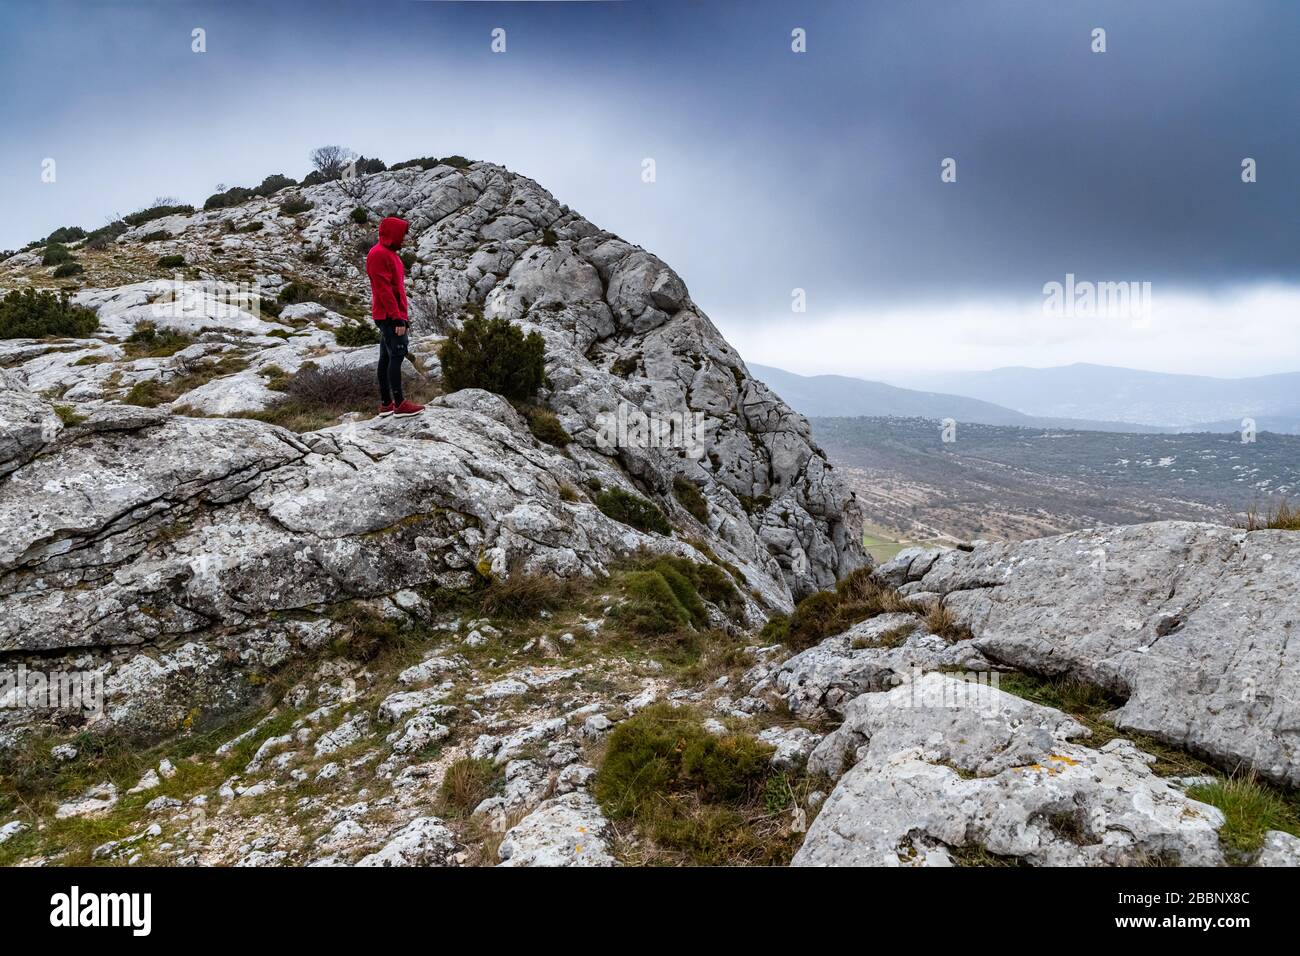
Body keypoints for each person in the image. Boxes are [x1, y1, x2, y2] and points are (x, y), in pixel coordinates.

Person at [366, 216, 424, 417]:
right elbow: (383, 289)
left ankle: (386, 405)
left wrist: (402, 315)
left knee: (385, 357)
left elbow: (394, 288)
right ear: (393, 234)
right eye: (403, 235)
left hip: (392, 314)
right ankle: (399, 404)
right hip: (389, 315)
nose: (405, 239)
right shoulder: (379, 254)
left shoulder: (389, 254)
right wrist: (397, 317)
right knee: (397, 356)